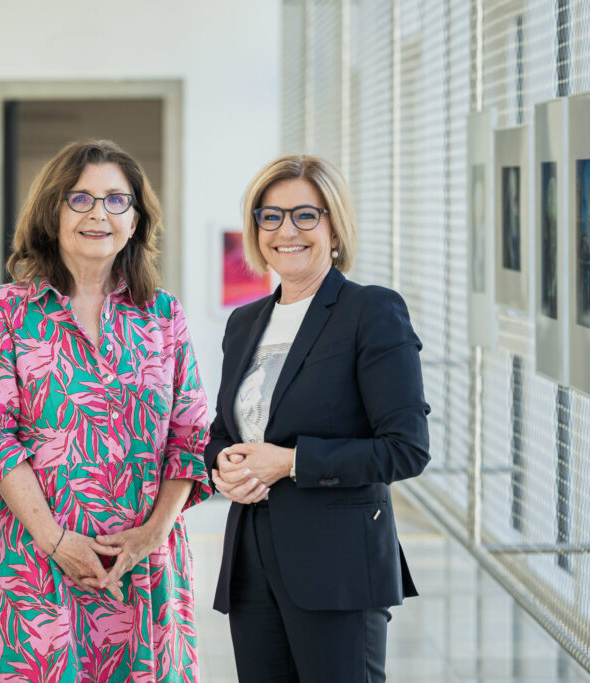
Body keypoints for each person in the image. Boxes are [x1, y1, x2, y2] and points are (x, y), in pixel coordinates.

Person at [0, 139, 211, 680]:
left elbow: (191, 438)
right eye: (80, 199)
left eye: (116, 200)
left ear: (135, 220)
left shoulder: (164, 316)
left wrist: (152, 534)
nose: (99, 213)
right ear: (52, 212)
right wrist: (56, 542)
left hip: (144, 561)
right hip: (34, 560)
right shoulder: (4, 312)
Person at [206, 154, 430, 682]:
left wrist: (290, 462)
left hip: (338, 567)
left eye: (305, 215)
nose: (287, 230)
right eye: (271, 216)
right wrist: (224, 463)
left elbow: (405, 448)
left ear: (334, 226)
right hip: (251, 564)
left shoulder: (370, 312)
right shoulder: (245, 322)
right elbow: (223, 432)